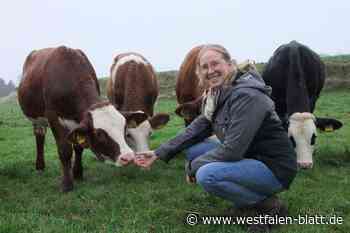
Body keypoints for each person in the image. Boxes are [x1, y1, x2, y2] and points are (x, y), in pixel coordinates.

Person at [134, 44, 297, 232]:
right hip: (251, 156)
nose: (210, 71)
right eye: (204, 67)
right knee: (194, 150)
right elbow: (198, 127)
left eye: (215, 64)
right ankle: (248, 202)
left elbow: (232, 151)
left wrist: (193, 167)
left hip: (273, 167)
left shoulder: (247, 95)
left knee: (206, 175)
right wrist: (158, 152)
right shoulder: (218, 93)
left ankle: (268, 206)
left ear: (229, 64)